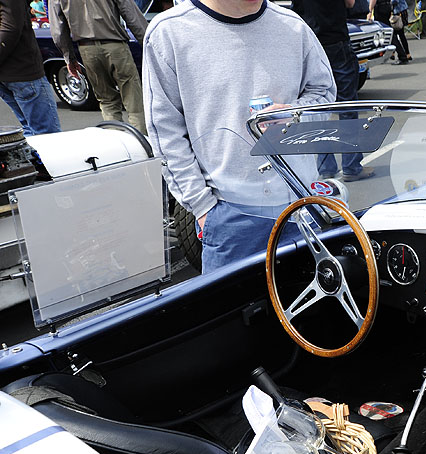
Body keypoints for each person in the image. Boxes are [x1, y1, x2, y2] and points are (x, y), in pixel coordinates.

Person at [142, 0, 336, 273]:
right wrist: (203, 206)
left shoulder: (292, 26)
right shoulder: (169, 32)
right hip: (230, 215)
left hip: (302, 206)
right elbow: (165, 131)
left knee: (310, 311)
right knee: (232, 312)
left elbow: (324, 92)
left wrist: (294, 114)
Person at [293, 0, 374, 181]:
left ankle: (326, 167)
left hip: (310, 43)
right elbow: (350, 3)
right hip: (335, 40)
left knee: (318, 106)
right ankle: (351, 166)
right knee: (347, 107)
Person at [48, 0, 148, 133]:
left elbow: (58, 30)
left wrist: (69, 57)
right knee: (134, 102)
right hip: (115, 45)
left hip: (87, 49)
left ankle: (117, 141)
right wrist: (147, 44)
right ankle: (143, 143)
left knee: (107, 102)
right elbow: (131, 15)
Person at [0, 0, 61, 135]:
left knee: (30, 129)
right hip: (22, 70)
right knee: (47, 135)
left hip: (11, 73)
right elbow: (11, 27)